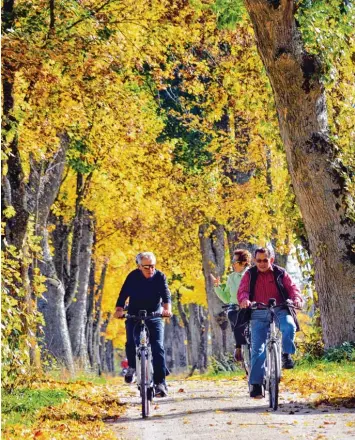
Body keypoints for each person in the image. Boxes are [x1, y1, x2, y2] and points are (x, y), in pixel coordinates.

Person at [238, 247, 303, 399]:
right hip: (258, 312)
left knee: (289, 326)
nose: (261, 263)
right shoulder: (250, 274)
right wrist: (244, 300)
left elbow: (293, 288)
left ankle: (286, 354)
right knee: (258, 350)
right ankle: (256, 384)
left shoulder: (280, 273)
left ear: (271, 260)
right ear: (254, 260)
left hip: (280, 309)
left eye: (265, 260)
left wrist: (297, 299)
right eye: (258, 260)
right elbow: (243, 290)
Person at [114, 251, 172, 397]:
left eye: (152, 266)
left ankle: (160, 383)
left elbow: (166, 295)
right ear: (139, 266)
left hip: (154, 315)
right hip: (134, 314)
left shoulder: (159, 276)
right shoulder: (132, 277)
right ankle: (132, 367)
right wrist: (119, 310)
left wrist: (167, 310)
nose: (150, 270)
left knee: (158, 346)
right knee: (131, 342)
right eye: (146, 267)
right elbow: (123, 295)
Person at [210, 249, 252, 362]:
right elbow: (226, 298)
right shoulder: (231, 277)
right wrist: (217, 287)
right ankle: (239, 346)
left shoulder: (252, 274)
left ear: (244, 263)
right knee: (234, 316)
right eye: (232, 261)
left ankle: (242, 345)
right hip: (235, 308)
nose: (233, 264)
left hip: (251, 307)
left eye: (235, 261)